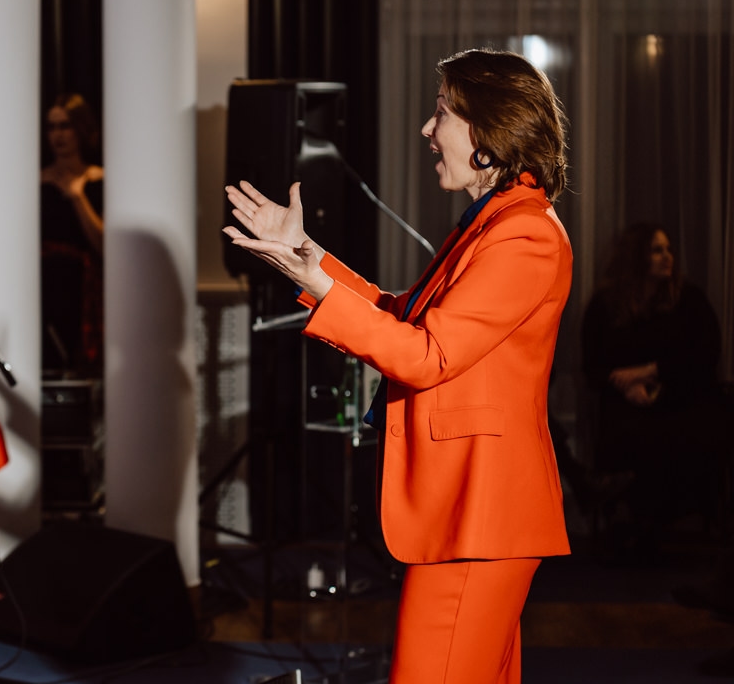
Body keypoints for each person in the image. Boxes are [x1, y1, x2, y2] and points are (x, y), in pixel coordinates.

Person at [224, 49, 572, 683]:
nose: (426, 130)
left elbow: (426, 355)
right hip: (471, 515)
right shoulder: (492, 225)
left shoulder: (524, 235)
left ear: (488, 134)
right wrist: (307, 257)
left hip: (480, 515)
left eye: (441, 114)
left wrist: (320, 286)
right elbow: (404, 316)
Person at [581, 222, 726, 556]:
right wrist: (626, 386)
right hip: (624, 402)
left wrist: (650, 373)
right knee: (630, 431)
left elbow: (705, 355)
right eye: (657, 250)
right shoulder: (607, 305)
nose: (667, 257)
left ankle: (652, 528)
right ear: (637, 257)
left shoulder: (688, 300)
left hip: (681, 397)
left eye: (669, 249)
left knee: (677, 433)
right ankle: (637, 528)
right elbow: (594, 367)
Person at [40, 92, 104, 376]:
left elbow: (104, 245)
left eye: (65, 125)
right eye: (52, 127)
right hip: (44, 283)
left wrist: (78, 197)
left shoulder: (99, 180)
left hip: (85, 285)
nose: (58, 135)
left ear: (81, 128)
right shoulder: (36, 181)